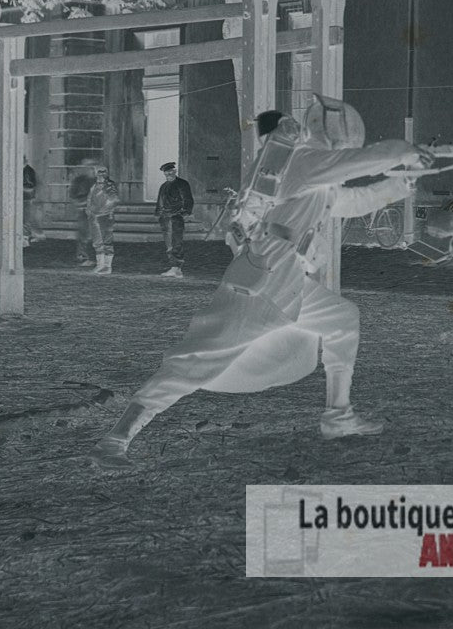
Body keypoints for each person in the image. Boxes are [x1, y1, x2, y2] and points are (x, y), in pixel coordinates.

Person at [92, 97, 427, 468]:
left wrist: (403, 184)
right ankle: (114, 440)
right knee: (193, 363)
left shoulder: (316, 177)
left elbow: (354, 200)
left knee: (342, 319)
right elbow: (361, 162)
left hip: (286, 280)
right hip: (261, 281)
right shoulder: (305, 160)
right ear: (337, 134)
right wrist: (404, 151)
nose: (350, 146)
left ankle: (338, 415)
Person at [155, 161, 194, 278]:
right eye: (166, 172)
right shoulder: (163, 186)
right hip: (165, 217)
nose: (169, 174)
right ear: (164, 173)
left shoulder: (182, 184)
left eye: (171, 171)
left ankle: (177, 267)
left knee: (177, 241)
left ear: (175, 171)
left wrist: (184, 213)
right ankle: (173, 266)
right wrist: (159, 213)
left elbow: (188, 199)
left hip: (176, 216)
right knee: (168, 242)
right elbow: (159, 201)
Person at [87, 167, 120, 276]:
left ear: (107, 173)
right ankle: (99, 264)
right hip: (94, 216)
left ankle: (107, 266)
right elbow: (89, 199)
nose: (101, 174)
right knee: (97, 241)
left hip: (105, 216)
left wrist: (105, 210)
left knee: (107, 241)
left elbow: (114, 200)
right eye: (99, 172)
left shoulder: (110, 185)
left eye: (103, 172)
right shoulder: (94, 185)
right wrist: (89, 211)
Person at [68, 160, 97, 266]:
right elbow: (72, 194)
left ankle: (92, 257)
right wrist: (79, 205)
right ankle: (83, 256)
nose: (91, 170)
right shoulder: (79, 180)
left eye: (92, 167)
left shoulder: (96, 181)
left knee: (92, 234)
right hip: (82, 209)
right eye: (88, 167)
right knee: (83, 233)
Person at [22, 159, 38, 247]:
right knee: (25, 218)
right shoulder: (25, 170)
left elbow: (31, 185)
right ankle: (26, 237)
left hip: (27, 197)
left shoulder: (29, 171)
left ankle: (25, 239)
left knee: (26, 218)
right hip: (24, 197)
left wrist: (20, 187)